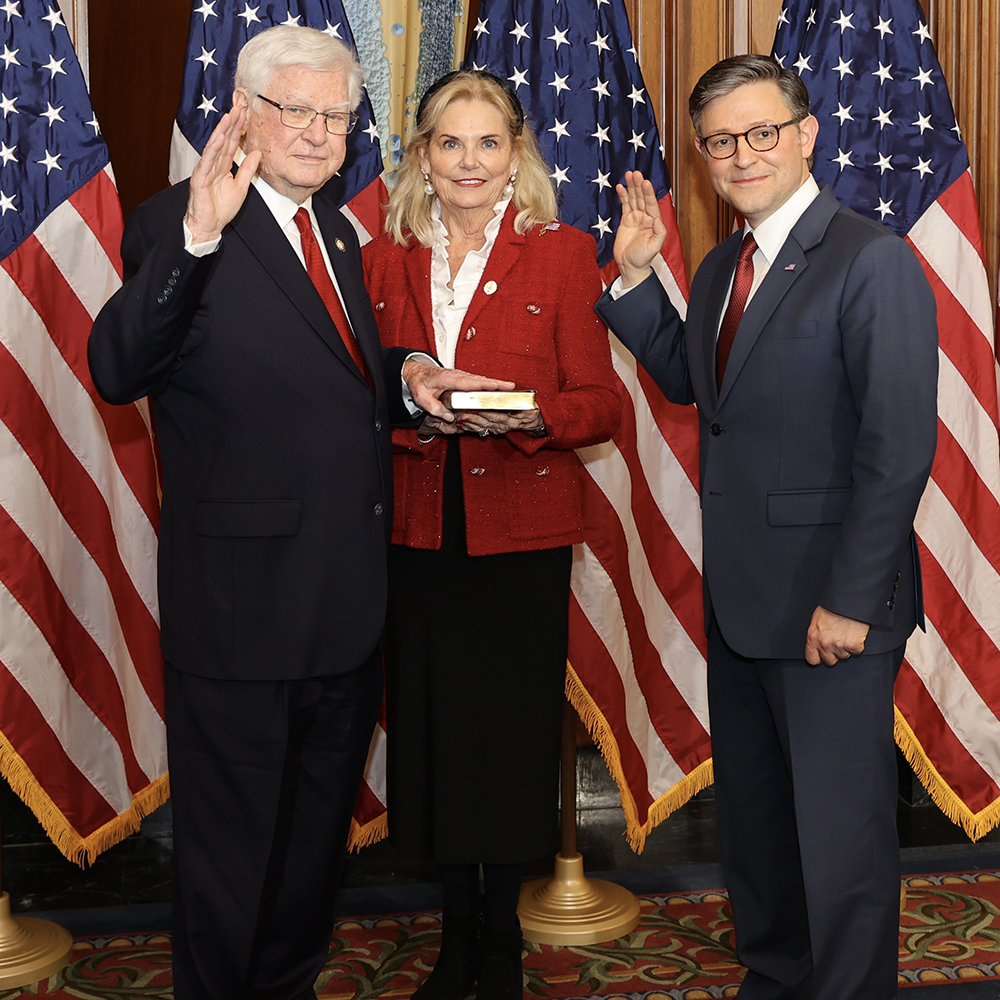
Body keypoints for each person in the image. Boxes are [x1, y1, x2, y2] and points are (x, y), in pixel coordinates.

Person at [88, 27, 512, 1000]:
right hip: (242, 614)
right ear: (245, 114)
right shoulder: (179, 221)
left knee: (311, 855)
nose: (322, 133)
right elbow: (119, 369)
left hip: (343, 608)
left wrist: (408, 377)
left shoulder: (339, 231)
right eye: (299, 112)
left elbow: (335, 383)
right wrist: (196, 238)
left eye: (337, 115)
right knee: (232, 858)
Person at [597, 55, 937, 1000]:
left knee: (840, 837)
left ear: (805, 134)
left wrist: (849, 601)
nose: (742, 155)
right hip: (743, 601)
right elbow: (704, 392)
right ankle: (777, 977)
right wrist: (634, 283)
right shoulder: (717, 266)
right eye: (719, 142)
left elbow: (897, 449)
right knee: (761, 825)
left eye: (761, 133)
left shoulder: (873, 258)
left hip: (833, 607)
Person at [362, 71, 621, 1000]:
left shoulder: (562, 252)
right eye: (448, 142)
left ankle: (501, 935)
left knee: (510, 738)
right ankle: (454, 932)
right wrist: (416, 416)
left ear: (516, 152)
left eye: (487, 143)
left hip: (522, 533)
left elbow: (603, 406)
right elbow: (357, 396)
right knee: (431, 730)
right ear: (421, 154)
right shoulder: (378, 258)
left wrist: (526, 416)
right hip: (416, 531)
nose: (468, 162)